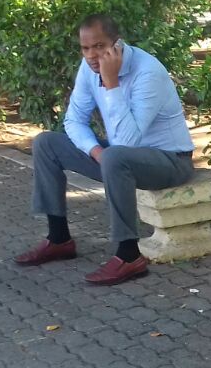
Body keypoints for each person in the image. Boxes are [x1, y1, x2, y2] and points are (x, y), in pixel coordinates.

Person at [14, 14, 194, 285]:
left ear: (116, 44)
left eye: (99, 46)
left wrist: (111, 84)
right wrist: (95, 151)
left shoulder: (148, 72)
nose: (91, 56)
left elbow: (127, 141)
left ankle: (129, 255)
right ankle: (59, 239)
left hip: (170, 161)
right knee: (46, 143)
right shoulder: (89, 68)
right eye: (85, 48)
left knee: (115, 155)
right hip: (118, 156)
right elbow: (73, 120)